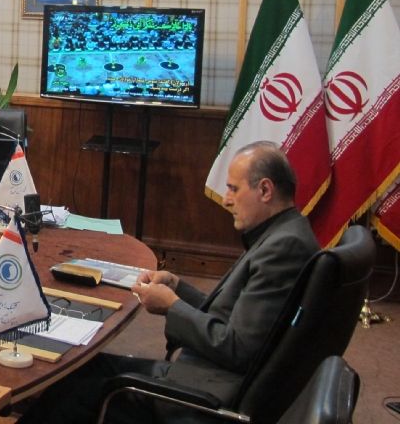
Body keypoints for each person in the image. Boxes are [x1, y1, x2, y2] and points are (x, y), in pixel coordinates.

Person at [20, 140, 319, 424]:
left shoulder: (284, 249)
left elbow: (237, 348)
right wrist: (177, 287)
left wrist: (171, 306)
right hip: (199, 374)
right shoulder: (283, 233)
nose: (227, 200)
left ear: (265, 190)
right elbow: (230, 318)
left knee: (72, 395)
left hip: (200, 397)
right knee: (78, 368)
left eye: (233, 189)